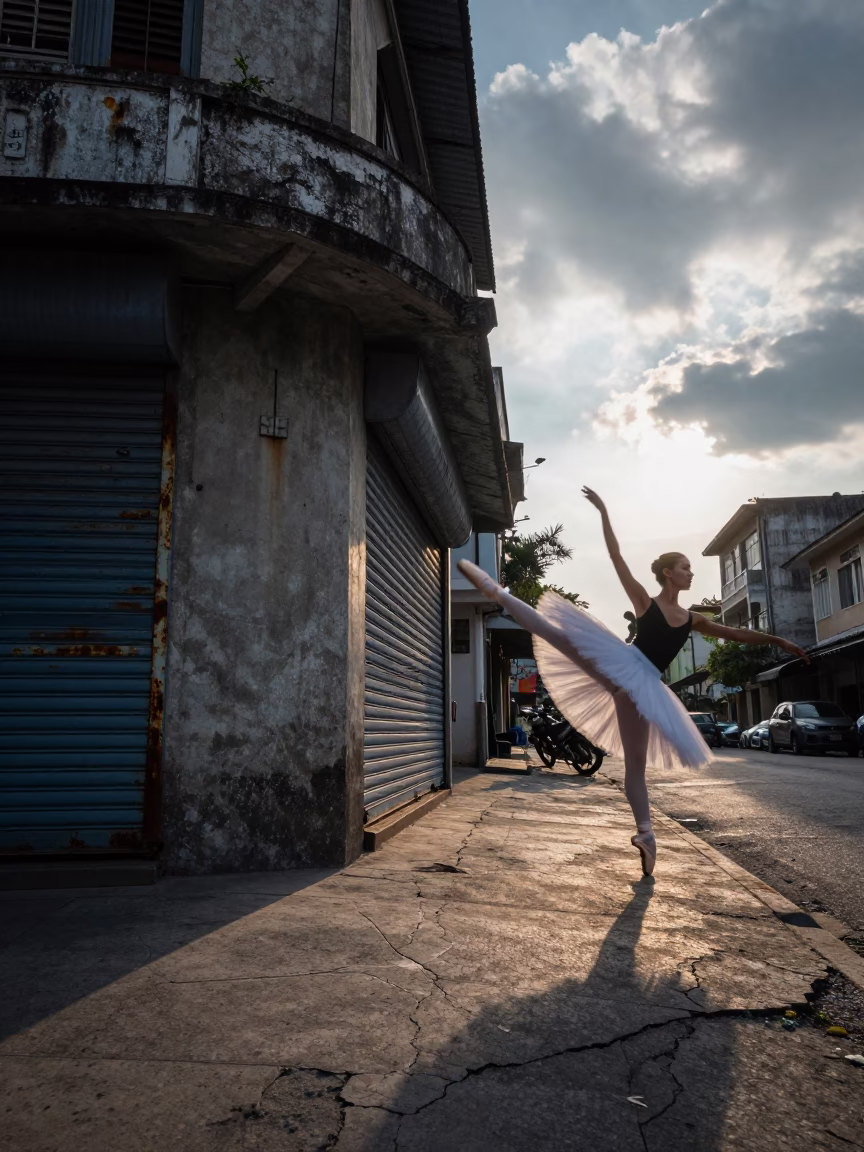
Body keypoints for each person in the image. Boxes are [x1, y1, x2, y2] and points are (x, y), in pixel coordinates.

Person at [457, 487, 809, 876]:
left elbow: (738, 634)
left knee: (636, 769)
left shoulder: (693, 618)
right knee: (557, 634)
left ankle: (646, 836)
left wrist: (778, 640)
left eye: (691, 568)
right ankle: (496, 592)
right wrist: (605, 512)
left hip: (642, 688)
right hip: (623, 665)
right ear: (667, 573)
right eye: (686, 567)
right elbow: (616, 557)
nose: (691, 573)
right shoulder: (646, 602)